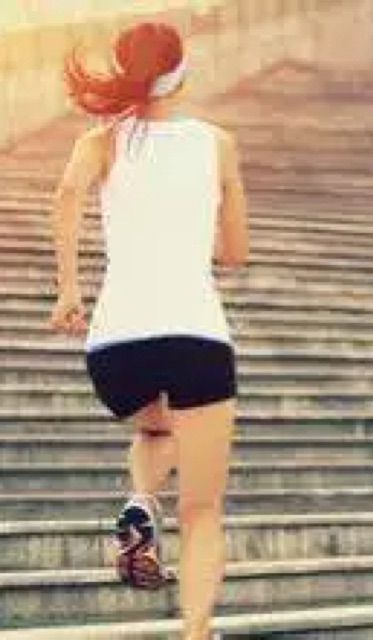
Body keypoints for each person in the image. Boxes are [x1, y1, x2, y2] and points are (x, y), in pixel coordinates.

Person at [48, 20, 248, 640]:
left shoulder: (100, 141)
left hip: (116, 346)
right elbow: (236, 253)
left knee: (159, 428)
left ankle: (140, 502)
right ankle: (197, 631)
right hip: (196, 336)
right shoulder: (217, 144)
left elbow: (66, 196)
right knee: (203, 508)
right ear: (180, 74)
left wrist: (69, 290)